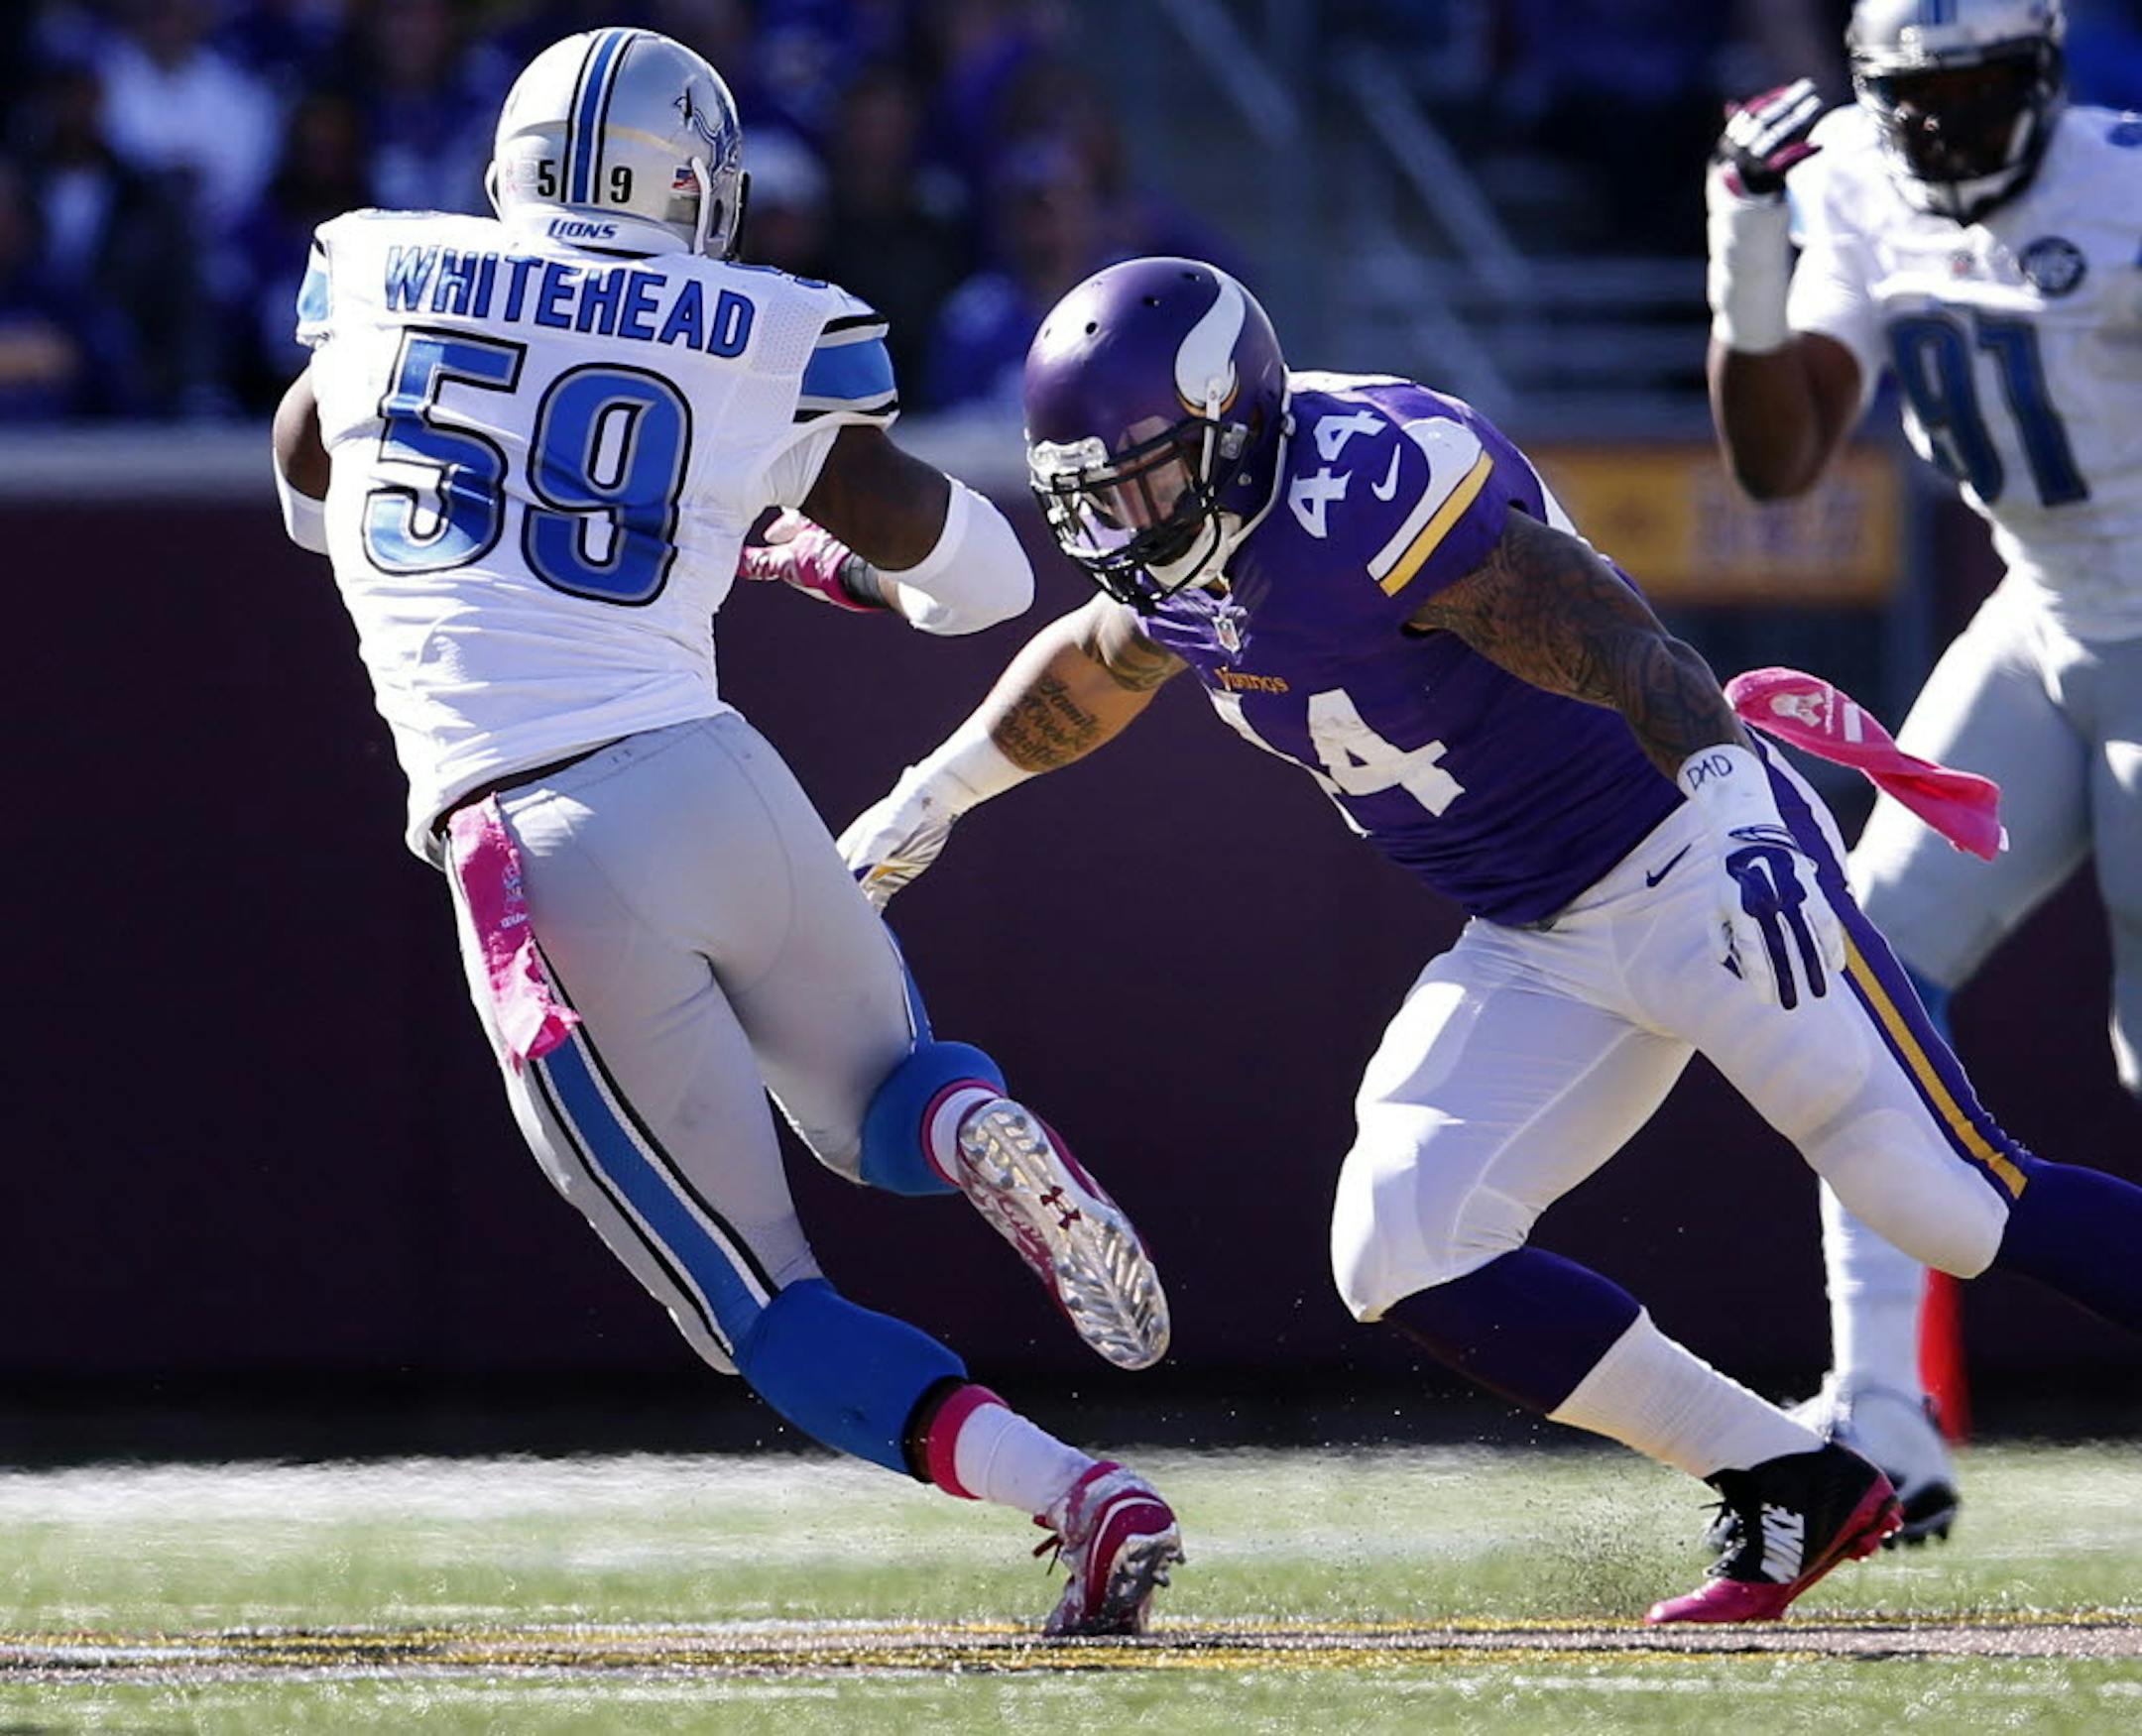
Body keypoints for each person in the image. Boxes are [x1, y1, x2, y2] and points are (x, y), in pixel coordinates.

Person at [836, 254, 2142, 1623]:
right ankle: (1789, 1479)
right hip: (1535, 929)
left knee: (1944, 1197)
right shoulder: (1187, 536)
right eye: (1094, 496)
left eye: (1146, 482)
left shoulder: (1372, 489)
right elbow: (1108, 657)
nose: (1123, 524)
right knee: (1402, 1242)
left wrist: (1740, 814)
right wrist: (933, 796)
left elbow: (1629, 649)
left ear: (1232, 425)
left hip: (1691, 853)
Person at [268, 28, 1181, 1637]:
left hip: (533, 839)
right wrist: (809, 544)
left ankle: (1078, 1494)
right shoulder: (757, 328)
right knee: (883, 1103)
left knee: (756, 1302)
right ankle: (975, 1129)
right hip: (713, 769)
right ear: (697, 185)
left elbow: (303, 483)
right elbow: (984, 583)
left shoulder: (378, 274)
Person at [1705, 0, 2142, 1544]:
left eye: (1982, 93)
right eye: (1919, 99)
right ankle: (1884, 1407)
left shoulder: (2122, 184)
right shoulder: (1851, 183)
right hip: (2039, 614)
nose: (1947, 131)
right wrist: (1747, 252)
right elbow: (1779, 462)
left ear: (2046, 78)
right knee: (1857, 970)